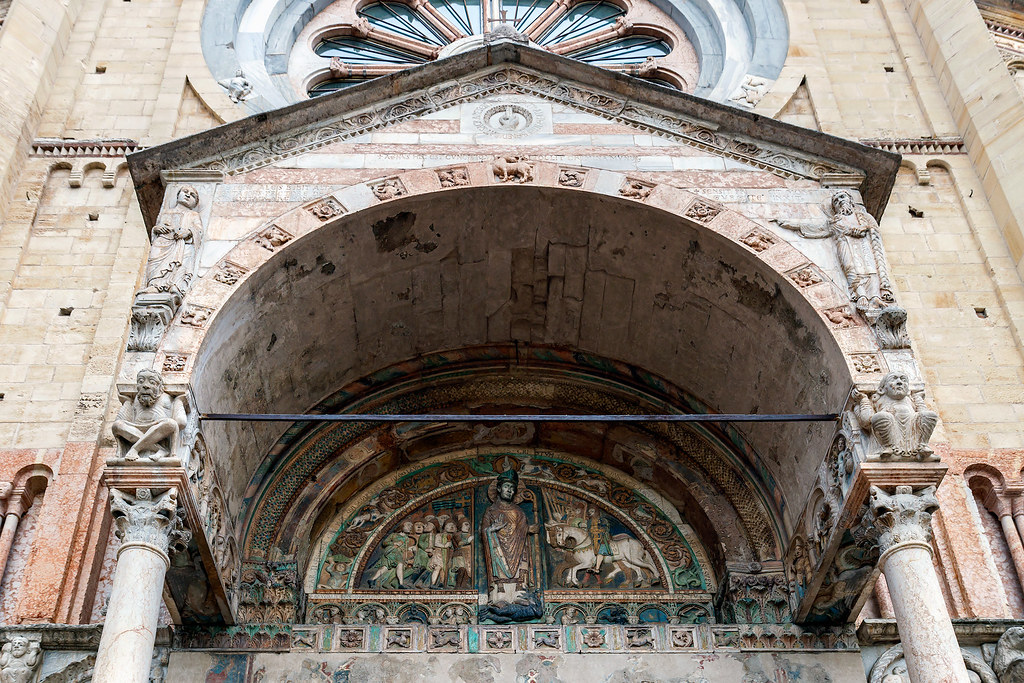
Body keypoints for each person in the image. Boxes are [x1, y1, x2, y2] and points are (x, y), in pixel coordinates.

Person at [111, 369, 187, 461]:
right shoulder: (134, 400)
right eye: (141, 382)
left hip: (159, 429)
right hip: (136, 428)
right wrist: (127, 401)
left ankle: (135, 448)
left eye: (152, 382)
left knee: (170, 424)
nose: (145, 386)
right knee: (117, 425)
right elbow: (120, 421)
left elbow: (181, 422)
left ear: (159, 386)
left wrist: (179, 401)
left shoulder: (168, 398)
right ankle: (160, 449)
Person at [143, 185, 201, 300]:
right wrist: (157, 229)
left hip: (180, 243)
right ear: (178, 195)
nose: (188, 195)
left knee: (181, 261)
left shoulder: (193, 215)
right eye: (185, 191)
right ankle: (154, 286)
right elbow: (157, 227)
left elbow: (198, 230)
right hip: (162, 243)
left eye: (192, 195)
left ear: (195, 203)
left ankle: (175, 285)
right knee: (155, 262)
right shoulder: (166, 212)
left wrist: (188, 232)